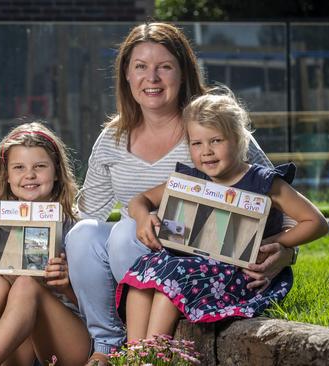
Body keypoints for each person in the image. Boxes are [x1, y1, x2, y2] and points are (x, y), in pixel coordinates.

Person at [64, 22, 296, 365]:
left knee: (126, 230)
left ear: (183, 73)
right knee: (85, 235)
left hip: (200, 262)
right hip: (134, 254)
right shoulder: (111, 140)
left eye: (164, 67)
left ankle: (150, 341)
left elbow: (283, 208)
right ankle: (108, 344)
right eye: (140, 67)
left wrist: (283, 255)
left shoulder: (212, 130)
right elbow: (85, 216)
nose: (152, 78)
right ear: (126, 76)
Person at [116, 92, 329, 340]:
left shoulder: (263, 182)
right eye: (196, 143)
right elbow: (139, 200)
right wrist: (143, 217)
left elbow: (317, 223)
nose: (206, 151)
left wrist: (272, 242)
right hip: (191, 266)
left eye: (216, 140)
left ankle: (154, 356)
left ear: (238, 139)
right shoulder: (192, 181)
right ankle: (133, 354)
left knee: (168, 283)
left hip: (238, 276)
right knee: (141, 278)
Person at [0, 122, 90, 366]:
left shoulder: (78, 230)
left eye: (40, 166)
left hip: (70, 343)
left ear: (56, 172)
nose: (30, 175)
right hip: (21, 349)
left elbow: (101, 312)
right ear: (7, 176)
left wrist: (66, 286)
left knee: (26, 284)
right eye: (19, 167)